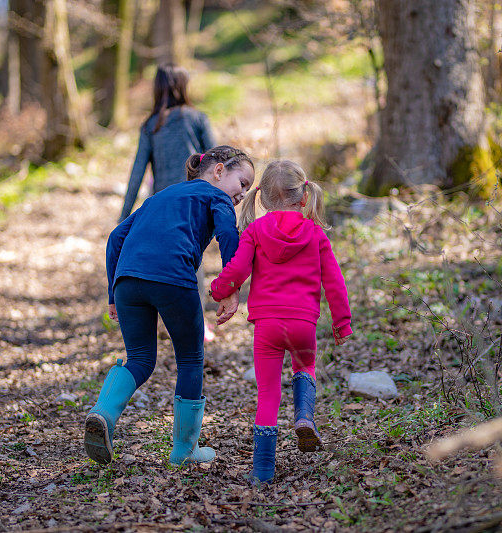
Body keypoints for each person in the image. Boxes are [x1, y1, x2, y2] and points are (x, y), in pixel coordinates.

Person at [84, 146, 254, 466]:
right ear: (218, 172)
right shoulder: (216, 197)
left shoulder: (159, 196)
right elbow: (228, 235)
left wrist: (113, 292)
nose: (243, 193)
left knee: (140, 358)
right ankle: (185, 451)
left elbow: (117, 237)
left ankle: (103, 413)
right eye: (242, 182)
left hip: (128, 281)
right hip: (173, 278)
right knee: (190, 359)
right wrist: (231, 289)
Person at [210, 160, 352, 484]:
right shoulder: (315, 234)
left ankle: (262, 470)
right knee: (305, 368)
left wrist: (219, 290)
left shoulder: (256, 231)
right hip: (304, 324)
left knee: (269, 395)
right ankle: (304, 416)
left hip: (268, 327)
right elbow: (334, 282)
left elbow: (237, 270)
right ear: (303, 197)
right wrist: (342, 323)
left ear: (262, 198)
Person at [119, 63, 218, 340]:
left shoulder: (150, 125)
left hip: (162, 205)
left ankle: (167, 321)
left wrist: (124, 215)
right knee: (193, 259)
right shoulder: (197, 118)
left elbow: (137, 171)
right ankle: (197, 323)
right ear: (183, 86)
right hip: (196, 201)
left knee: (164, 261)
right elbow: (218, 159)